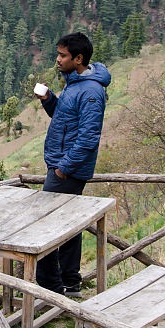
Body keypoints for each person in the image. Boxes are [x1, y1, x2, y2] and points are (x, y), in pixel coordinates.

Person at [33, 32, 111, 297]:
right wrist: (49, 100)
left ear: (78, 59)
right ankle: (70, 284)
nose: (58, 60)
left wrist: (62, 169)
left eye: (63, 55)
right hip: (63, 166)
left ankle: (51, 291)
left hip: (67, 170)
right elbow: (64, 118)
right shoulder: (75, 83)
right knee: (68, 227)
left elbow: (88, 137)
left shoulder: (90, 92)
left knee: (43, 226)